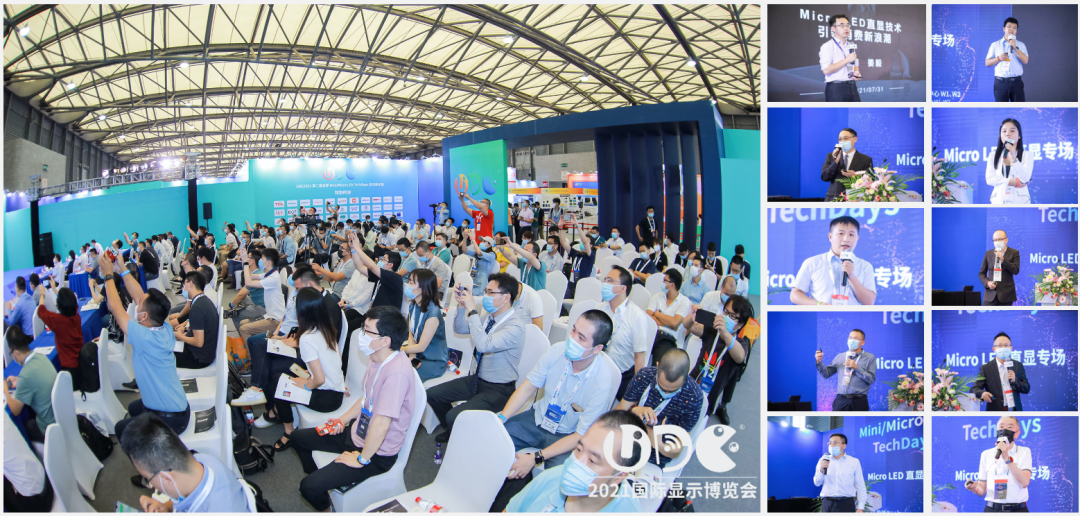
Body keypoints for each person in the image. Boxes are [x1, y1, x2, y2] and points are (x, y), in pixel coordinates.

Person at [290, 306, 416, 512]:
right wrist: (342, 420)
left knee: (308, 487)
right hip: (358, 433)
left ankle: (324, 501)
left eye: (367, 330)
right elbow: (366, 398)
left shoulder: (397, 373)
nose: (361, 334)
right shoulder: (376, 358)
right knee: (297, 438)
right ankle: (323, 481)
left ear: (385, 341)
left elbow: (382, 424)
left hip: (376, 453)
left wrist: (361, 459)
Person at [489, 310, 616, 512]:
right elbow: (528, 387)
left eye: (581, 337)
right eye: (573, 330)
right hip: (537, 419)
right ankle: (485, 496)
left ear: (597, 348)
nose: (572, 339)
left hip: (567, 437)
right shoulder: (557, 351)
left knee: (558, 483)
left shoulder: (602, 380)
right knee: (495, 439)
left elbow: (581, 435)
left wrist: (536, 458)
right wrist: (502, 417)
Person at [100, 252, 190, 447]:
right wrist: (122, 269)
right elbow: (140, 295)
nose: (137, 303)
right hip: (178, 407)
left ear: (145, 316)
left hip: (171, 418)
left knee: (121, 429)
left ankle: (150, 461)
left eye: (139, 305)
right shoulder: (163, 326)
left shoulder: (144, 337)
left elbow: (116, 307)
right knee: (134, 407)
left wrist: (108, 275)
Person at [427, 273, 525, 447]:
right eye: (486, 291)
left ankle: (462, 439)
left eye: (490, 292)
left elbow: (484, 345)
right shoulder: (490, 317)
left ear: (506, 297)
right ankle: (453, 431)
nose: (486, 296)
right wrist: (461, 306)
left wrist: (472, 310)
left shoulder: (515, 326)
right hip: (477, 379)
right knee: (433, 395)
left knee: (454, 416)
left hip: (499, 388)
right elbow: (460, 329)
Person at [504, 410, 647, 513]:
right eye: (579, 449)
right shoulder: (552, 477)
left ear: (619, 476)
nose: (576, 463)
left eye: (592, 460)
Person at [263, 287, 346, 451]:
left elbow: (320, 379)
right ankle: (278, 412)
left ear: (301, 310)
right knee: (286, 373)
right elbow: (337, 359)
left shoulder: (307, 338)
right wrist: (314, 373)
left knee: (280, 384)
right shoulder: (326, 326)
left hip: (326, 398)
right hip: (335, 391)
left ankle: (288, 432)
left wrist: (307, 384)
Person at [121, 413, 249, 512]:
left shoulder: (219, 508)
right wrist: (166, 507)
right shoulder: (202, 460)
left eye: (147, 479)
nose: (150, 484)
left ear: (166, 478)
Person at [615, 348, 704, 470]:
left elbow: (677, 450)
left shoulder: (694, 397)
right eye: (661, 387)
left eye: (672, 390)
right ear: (657, 366)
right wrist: (633, 411)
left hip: (655, 455)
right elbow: (615, 415)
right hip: (626, 438)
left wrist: (659, 444)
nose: (665, 393)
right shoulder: (644, 376)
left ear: (687, 373)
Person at [684, 294, 753, 424]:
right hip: (691, 384)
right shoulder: (712, 331)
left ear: (740, 324)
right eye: (726, 312)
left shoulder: (739, 343)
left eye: (733, 316)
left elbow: (740, 357)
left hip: (709, 398)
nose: (727, 317)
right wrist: (691, 317)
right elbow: (688, 326)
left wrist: (725, 333)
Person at [791, 216, 877, 305]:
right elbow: (795, 295)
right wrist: (819, 304)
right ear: (830, 237)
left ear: (857, 239)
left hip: (852, 314)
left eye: (851, 235)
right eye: (841, 233)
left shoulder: (865, 266)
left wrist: (851, 276)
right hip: (821, 313)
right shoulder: (812, 262)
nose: (846, 239)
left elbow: (869, 302)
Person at [598, 267, 652, 401]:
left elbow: (639, 357)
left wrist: (637, 392)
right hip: (597, 368)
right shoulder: (599, 309)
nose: (605, 284)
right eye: (605, 280)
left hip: (623, 374)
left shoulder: (636, 316)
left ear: (623, 288)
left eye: (610, 281)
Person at [964, 416, 1031, 511]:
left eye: (1009, 427)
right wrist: (974, 488)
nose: (1004, 430)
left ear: (1017, 433)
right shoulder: (986, 454)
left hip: (1017, 510)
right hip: (992, 509)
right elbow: (981, 490)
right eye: (1001, 427)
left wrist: (1006, 458)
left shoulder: (1024, 452)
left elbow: (1024, 482)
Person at [4, 327, 56, 442]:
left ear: (16, 352)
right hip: (58, 416)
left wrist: (5, 391)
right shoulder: (40, 357)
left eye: (11, 353)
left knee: (20, 428)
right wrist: (18, 380)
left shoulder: (26, 374)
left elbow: (15, 410)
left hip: (47, 427)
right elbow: (35, 378)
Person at [235, 248, 287, 355]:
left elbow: (248, 283)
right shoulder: (268, 274)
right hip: (269, 316)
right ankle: (254, 349)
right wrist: (244, 261)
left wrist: (246, 263)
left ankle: (251, 360)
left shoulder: (273, 278)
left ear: (268, 263)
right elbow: (249, 276)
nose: (260, 261)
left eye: (262, 259)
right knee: (243, 323)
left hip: (275, 320)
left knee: (244, 329)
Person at [401, 269, 448, 382]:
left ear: (423, 288)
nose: (407, 285)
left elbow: (421, 347)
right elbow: (411, 335)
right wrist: (412, 357)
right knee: (390, 363)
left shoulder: (433, 313)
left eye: (411, 283)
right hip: (418, 355)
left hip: (433, 361)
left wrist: (398, 349)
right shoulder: (413, 305)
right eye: (408, 281)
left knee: (403, 373)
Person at [169, 271, 220, 370]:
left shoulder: (197, 308)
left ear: (190, 283)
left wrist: (181, 336)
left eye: (184, 284)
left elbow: (198, 342)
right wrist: (185, 331)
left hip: (197, 358)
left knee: (160, 355)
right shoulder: (204, 301)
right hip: (204, 353)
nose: (183, 288)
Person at [36, 285, 83, 389]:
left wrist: (42, 294)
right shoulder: (76, 316)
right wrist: (54, 288)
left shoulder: (58, 321)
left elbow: (41, 311)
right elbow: (69, 302)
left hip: (69, 372)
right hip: (81, 365)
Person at [815, 329, 875, 411]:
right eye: (850, 338)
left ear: (863, 342)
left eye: (855, 338)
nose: (851, 340)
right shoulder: (840, 356)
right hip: (841, 400)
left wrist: (856, 367)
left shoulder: (869, 357)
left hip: (859, 400)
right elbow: (826, 374)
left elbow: (871, 379)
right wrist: (819, 362)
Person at [972, 333, 1030, 411]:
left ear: (1011, 348)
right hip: (995, 410)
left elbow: (1026, 388)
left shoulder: (1018, 365)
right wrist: (982, 393)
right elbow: (975, 388)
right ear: (994, 349)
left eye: (1006, 345)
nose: (1003, 348)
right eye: (999, 345)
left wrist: (1015, 380)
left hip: (1015, 409)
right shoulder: (986, 368)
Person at [647, 269, 692, 365]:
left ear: (672, 285)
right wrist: (668, 323)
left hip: (667, 338)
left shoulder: (684, 302)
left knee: (658, 365)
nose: (662, 282)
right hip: (651, 333)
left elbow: (675, 323)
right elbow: (648, 317)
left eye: (665, 280)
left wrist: (657, 314)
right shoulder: (657, 296)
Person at [814, 433, 866, 512]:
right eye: (830, 443)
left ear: (844, 446)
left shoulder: (854, 462)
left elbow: (860, 485)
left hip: (846, 503)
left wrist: (860, 507)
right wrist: (821, 470)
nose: (831, 445)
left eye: (835, 442)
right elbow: (817, 483)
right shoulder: (823, 460)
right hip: (827, 503)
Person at [821, 128, 874, 201]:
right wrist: (835, 162)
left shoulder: (866, 159)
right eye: (840, 139)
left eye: (845, 138)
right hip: (834, 198)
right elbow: (825, 177)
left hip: (856, 199)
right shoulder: (831, 156)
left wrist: (855, 175)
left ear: (855, 139)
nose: (842, 141)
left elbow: (871, 180)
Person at [986, 119, 1031, 204]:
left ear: (1019, 135)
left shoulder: (1027, 155)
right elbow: (990, 179)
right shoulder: (993, 155)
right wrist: (1013, 182)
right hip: (998, 201)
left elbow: (1025, 178)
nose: (1007, 134)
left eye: (1012, 131)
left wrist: (1014, 157)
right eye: (1004, 131)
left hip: (1020, 201)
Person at [819, 14, 862, 102]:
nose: (846, 28)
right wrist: (846, 60)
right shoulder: (827, 46)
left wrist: (857, 72)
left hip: (852, 87)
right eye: (842, 26)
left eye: (847, 25)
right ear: (833, 29)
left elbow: (855, 64)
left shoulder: (850, 45)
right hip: (836, 88)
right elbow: (826, 70)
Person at [985, 18, 1027, 103]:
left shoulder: (1021, 45)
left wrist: (1015, 48)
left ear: (1016, 30)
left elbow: (1025, 61)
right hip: (1001, 83)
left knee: (1019, 107)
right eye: (1009, 27)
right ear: (1004, 29)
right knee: (1001, 106)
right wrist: (998, 58)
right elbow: (987, 63)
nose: (1012, 29)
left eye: (1014, 28)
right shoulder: (995, 45)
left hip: (1016, 83)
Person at [225, 249, 267, 330]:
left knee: (234, 315)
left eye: (247, 257)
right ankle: (246, 317)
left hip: (262, 307)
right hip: (258, 301)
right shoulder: (256, 272)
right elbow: (242, 291)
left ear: (252, 261)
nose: (244, 259)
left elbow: (241, 294)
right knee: (242, 299)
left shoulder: (256, 275)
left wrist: (230, 306)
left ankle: (243, 334)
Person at [979, 230, 1020, 306]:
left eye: (1000, 239)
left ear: (1006, 240)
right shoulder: (988, 254)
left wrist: (1003, 259)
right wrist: (988, 283)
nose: (997, 242)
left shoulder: (1014, 253)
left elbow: (1016, 270)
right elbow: (981, 273)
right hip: (990, 294)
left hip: (1006, 295)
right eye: (995, 240)